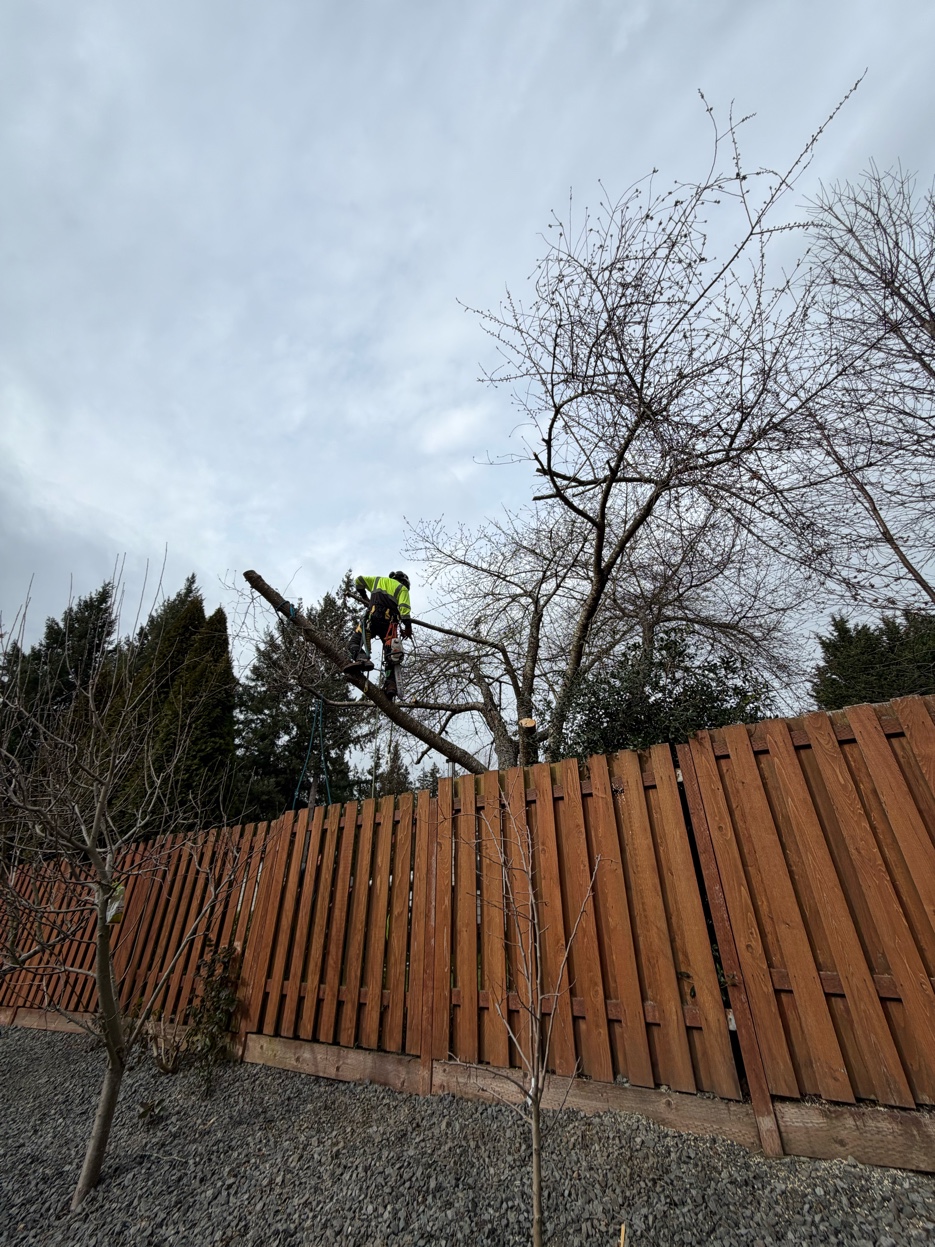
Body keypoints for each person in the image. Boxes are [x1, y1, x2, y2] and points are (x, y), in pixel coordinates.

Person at [345, 571, 412, 700]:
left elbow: (358, 580)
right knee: (391, 655)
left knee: (353, 643)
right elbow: (404, 610)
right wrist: (408, 628)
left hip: (371, 619)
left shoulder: (377, 580)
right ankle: (391, 684)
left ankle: (362, 659)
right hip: (389, 624)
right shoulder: (402, 589)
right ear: (404, 582)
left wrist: (365, 598)